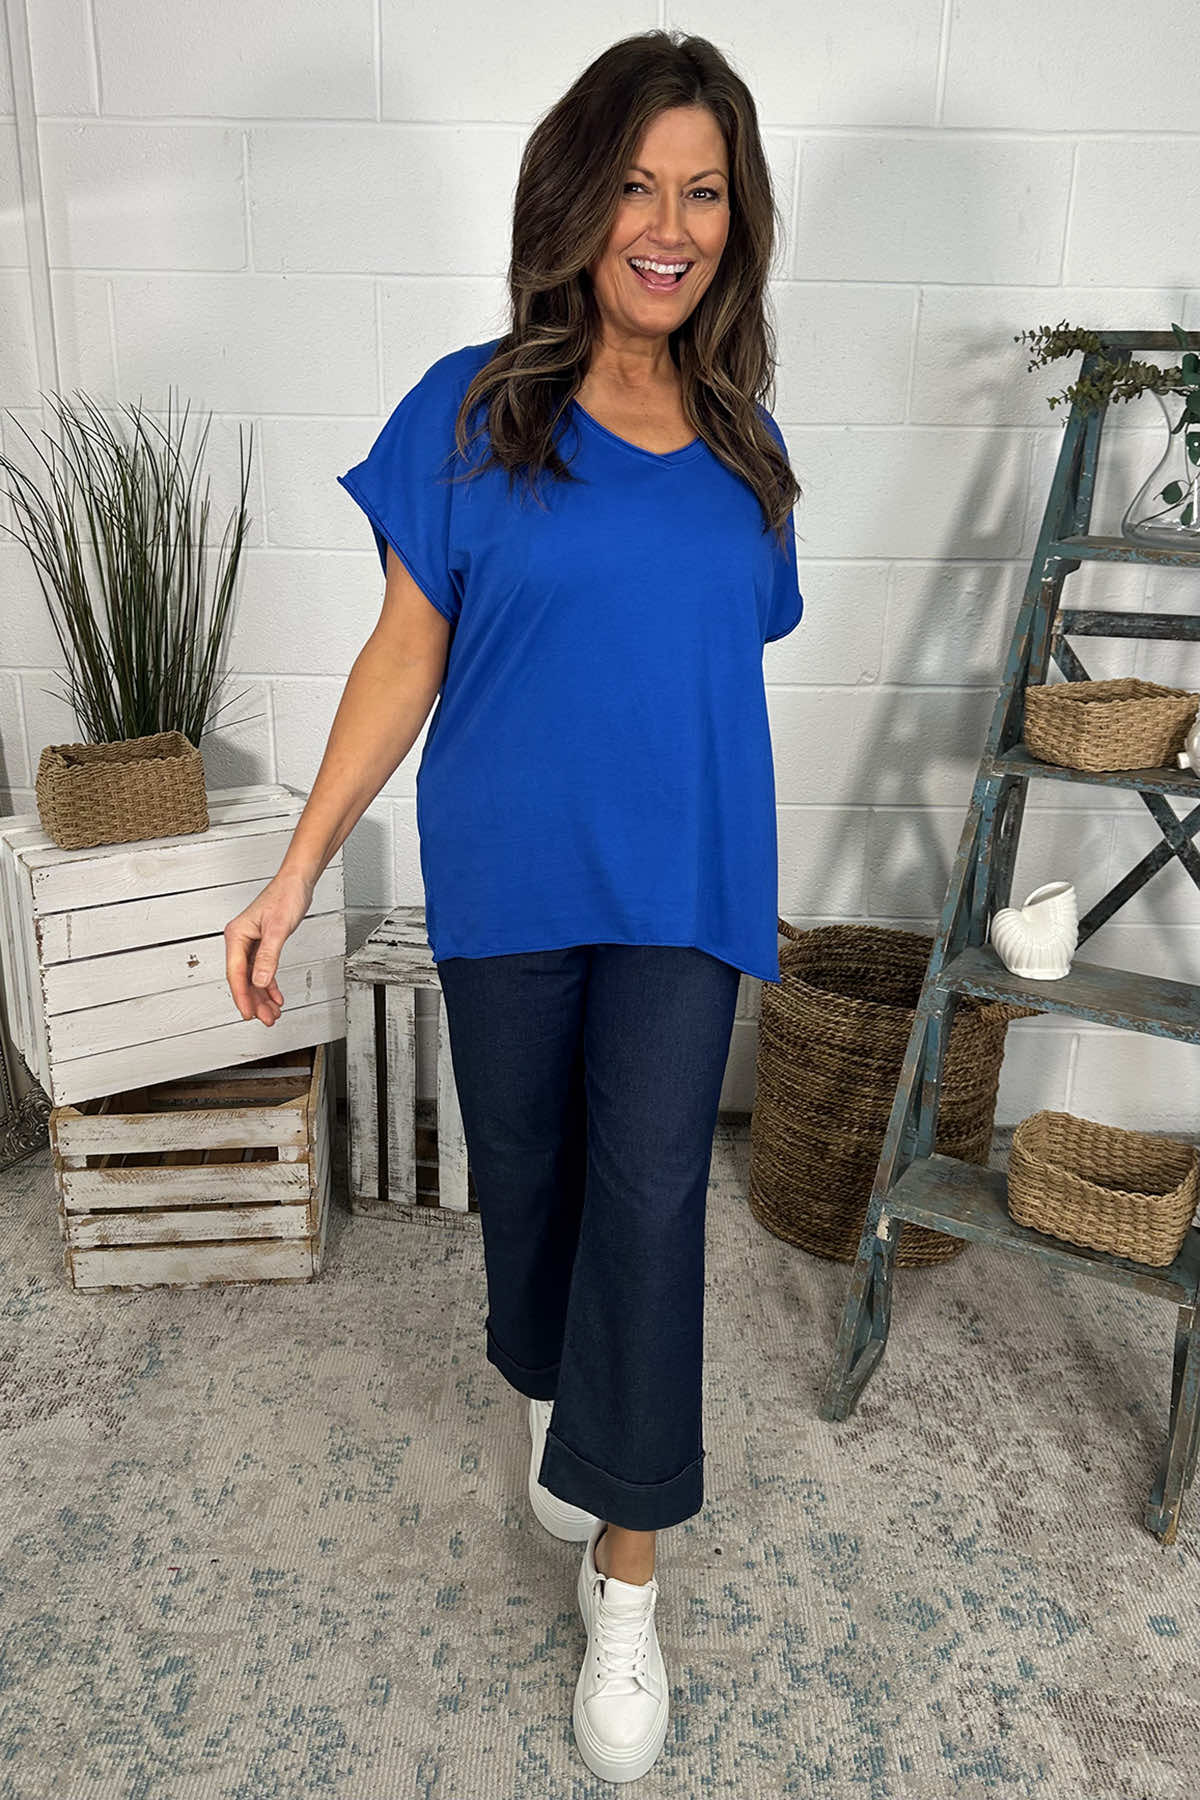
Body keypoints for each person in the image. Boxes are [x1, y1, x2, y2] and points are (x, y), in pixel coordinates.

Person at [223, 28, 804, 1786]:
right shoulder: (472, 413)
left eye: (703, 193)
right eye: (635, 185)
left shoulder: (749, 449)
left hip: (686, 889)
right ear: (576, 200)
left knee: (652, 1199)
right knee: (535, 1185)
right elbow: (408, 655)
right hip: (511, 879)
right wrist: (296, 867)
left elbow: (705, 664)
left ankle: (628, 1578)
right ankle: (559, 1384)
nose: (668, 226)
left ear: (737, 223)